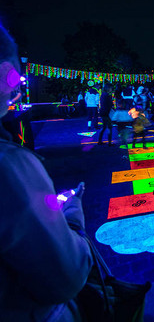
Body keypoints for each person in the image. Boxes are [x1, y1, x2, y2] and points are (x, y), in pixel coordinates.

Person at [0, 24, 93, 320]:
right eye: (14, 76)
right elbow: (66, 274)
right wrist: (73, 216)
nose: (17, 87)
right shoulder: (11, 166)